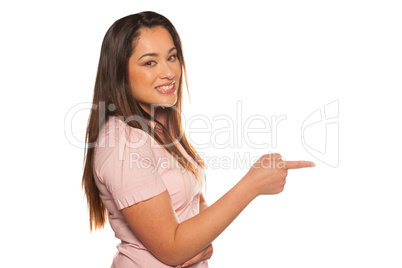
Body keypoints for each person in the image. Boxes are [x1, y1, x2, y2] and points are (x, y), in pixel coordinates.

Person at [82, 11, 315, 268]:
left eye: (172, 57)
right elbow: (171, 249)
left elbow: (191, 199)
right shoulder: (121, 143)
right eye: (150, 62)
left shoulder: (156, 123)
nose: (169, 72)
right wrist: (252, 185)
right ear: (119, 71)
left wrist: (200, 241)